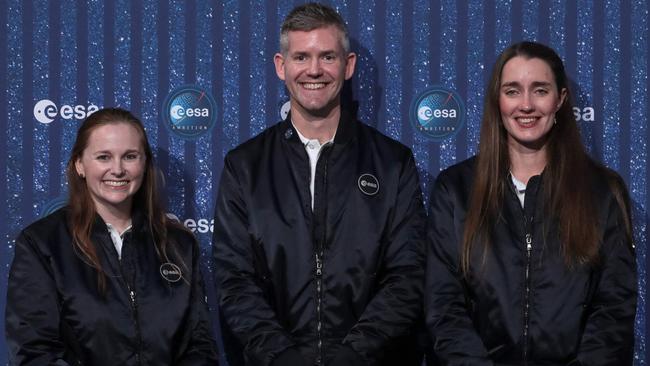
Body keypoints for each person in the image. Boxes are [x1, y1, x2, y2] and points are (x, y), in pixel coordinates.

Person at [212, 3, 426, 366]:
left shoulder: (393, 163)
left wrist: (354, 354)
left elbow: (407, 277)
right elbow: (234, 280)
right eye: (301, 57)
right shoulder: (244, 166)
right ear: (282, 66)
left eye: (328, 56)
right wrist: (280, 356)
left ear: (349, 65)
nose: (314, 70)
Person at [425, 41, 637, 365]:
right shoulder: (455, 189)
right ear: (497, 101)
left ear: (561, 100)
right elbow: (443, 306)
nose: (526, 105)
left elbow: (613, 309)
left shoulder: (603, 192)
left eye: (540, 90)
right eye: (512, 91)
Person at [5, 108, 219, 365]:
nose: (117, 169)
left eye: (129, 156)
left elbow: (199, 346)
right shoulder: (42, 243)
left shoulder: (179, 244)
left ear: (145, 164)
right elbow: (34, 351)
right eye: (103, 157)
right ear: (80, 164)